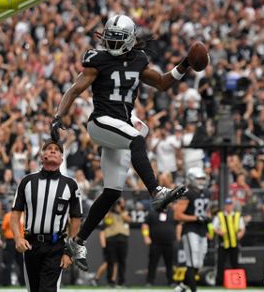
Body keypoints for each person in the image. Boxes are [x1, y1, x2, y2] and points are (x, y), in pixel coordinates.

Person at [50, 15, 198, 270]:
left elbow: (163, 83)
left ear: (129, 41)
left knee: (112, 192)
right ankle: (156, 192)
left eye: (118, 38)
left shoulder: (138, 61)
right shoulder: (97, 60)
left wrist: (185, 64)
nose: (111, 42)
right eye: (110, 37)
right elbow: (75, 89)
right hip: (101, 123)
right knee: (136, 139)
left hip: (120, 128)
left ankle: (76, 241)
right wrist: (58, 115)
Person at [11, 139, 83, 292]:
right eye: (48, 148)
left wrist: (69, 251)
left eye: (57, 149)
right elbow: (15, 213)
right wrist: (17, 237)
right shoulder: (27, 181)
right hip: (31, 244)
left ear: (62, 159)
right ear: (41, 156)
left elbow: (76, 219)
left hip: (55, 245)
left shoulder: (70, 184)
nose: (52, 151)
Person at [173, 167, 210, 292]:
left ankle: (182, 285)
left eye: (202, 179)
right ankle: (194, 289)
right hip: (190, 230)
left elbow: (205, 211)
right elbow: (177, 215)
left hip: (202, 230)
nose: (201, 181)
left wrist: (206, 218)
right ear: (191, 179)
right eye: (199, 179)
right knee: (193, 262)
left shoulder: (206, 192)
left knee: (199, 264)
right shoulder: (186, 193)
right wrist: (195, 218)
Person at [142, 203, 177, 287]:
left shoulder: (172, 212)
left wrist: (178, 236)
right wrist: (146, 236)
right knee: (152, 263)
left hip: (169, 242)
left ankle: (171, 281)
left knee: (169, 264)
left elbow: (178, 224)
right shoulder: (152, 212)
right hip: (155, 243)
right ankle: (149, 281)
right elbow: (145, 225)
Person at [212, 198, 245, 285]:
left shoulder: (238, 215)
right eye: (227, 205)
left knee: (235, 263)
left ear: (232, 206)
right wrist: (219, 232)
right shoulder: (220, 215)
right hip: (223, 243)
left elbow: (242, 228)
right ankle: (219, 282)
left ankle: (238, 282)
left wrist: (240, 234)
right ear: (225, 206)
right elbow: (214, 227)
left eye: (230, 205)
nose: (228, 207)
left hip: (234, 243)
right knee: (220, 263)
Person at [103, 197, 131, 287]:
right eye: (118, 203)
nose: (120, 204)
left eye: (122, 203)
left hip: (123, 239)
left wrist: (121, 212)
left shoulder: (126, 212)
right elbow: (107, 222)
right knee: (111, 261)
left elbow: (129, 220)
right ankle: (110, 281)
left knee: (122, 261)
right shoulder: (109, 213)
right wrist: (112, 211)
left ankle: (121, 282)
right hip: (111, 239)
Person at [1, 210, 25, 286]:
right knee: (8, 263)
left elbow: (3, 228)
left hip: (20, 240)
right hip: (11, 240)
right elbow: (3, 228)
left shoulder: (23, 215)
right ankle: (6, 282)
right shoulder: (8, 215)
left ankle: (23, 282)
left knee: (22, 263)